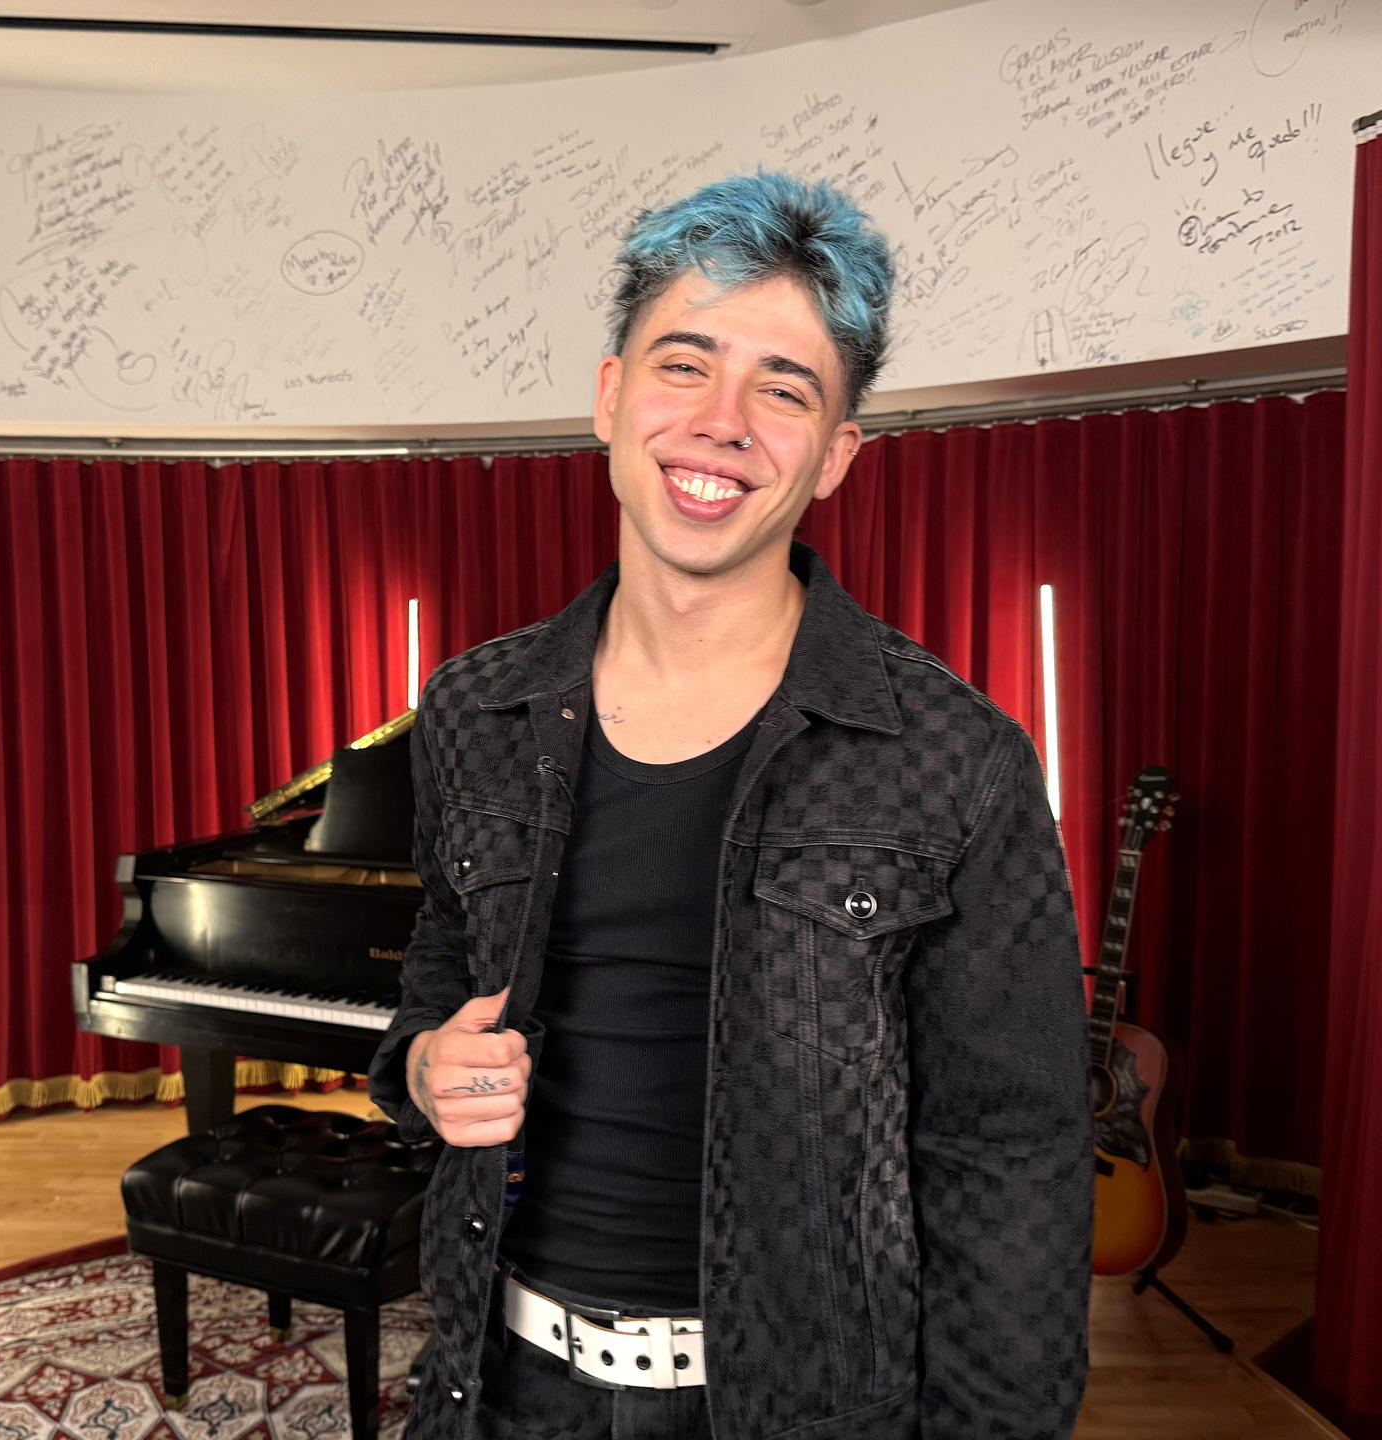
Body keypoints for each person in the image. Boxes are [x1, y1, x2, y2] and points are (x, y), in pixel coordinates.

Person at [368, 170, 1091, 1440]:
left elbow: (1012, 1157)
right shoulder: (474, 708)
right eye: (685, 365)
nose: (723, 422)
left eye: (785, 389)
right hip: (499, 1386)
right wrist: (423, 1063)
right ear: (610, 395)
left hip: (806, 1412)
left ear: (836, 455)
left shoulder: (957, 756)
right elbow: (442, 967)